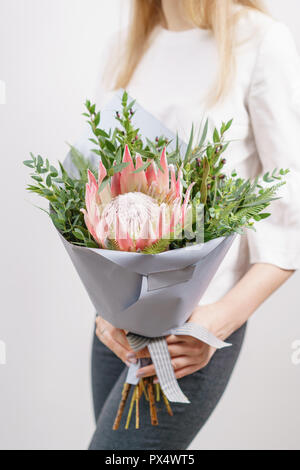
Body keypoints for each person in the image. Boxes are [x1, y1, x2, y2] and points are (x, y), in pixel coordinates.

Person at [89, 0, 300, 450]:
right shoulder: (125, 47)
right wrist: (101, 307)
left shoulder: (260, 42)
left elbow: (290, 219)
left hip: (190, 336)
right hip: (116, 330)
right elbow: (106, 194)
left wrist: (216, 324)